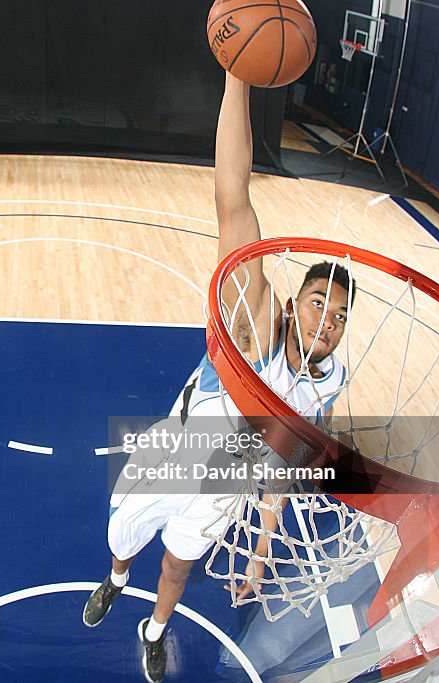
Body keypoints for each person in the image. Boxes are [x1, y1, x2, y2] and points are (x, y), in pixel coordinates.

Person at [82, 72, 355, 683]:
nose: (327, 321)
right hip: (171, 458)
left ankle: (153, 629)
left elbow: (280, 467)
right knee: (122, 543)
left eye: (339, 316)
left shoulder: (327, 382)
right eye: (317, 304)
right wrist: (237, 76)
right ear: (294, 303)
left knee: (177, 571)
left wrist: (260, 555)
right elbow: (233, 193)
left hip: (223, 488)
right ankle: (116, 578)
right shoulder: (255, 321)